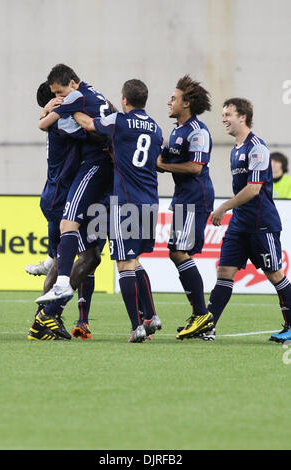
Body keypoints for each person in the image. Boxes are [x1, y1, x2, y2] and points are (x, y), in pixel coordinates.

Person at [191, 97, 291, 343]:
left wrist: (224, 206)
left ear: (242, 117)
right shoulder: (236, 149)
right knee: (224, 271)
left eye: (228, 114)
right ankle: (209, 326)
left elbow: (254, 189)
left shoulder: (257, 147)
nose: (223, 118)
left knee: (275, 274)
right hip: (239, 224)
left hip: (261, 224)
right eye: (223, 114)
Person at [71, 79, 163, 342]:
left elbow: (89, 125)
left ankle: (137, 327)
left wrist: (70, 109)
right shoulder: (156, 129)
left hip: (126, 203)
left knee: (124, 264)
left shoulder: (119, 121)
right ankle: (151, 316)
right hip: (151, 202)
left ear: (124, 99)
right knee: (134, 261)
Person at [28, 81, 107, 341]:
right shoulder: (63, 123)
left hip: (56, 195)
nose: (66, 98)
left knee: (70, 256)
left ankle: (45, 316)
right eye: (60, 96)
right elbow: (92, 129)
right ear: (54, 102)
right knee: (87, 257)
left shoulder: (56, 120)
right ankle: (46, 317)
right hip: (60, 198)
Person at [156, 75, 214, 340]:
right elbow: (161, 160)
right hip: (183, 196)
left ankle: (202, 315)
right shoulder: (177, 131)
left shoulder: (198, 131)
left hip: (195, 196)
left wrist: (163, 165)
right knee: (176, 252)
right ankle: (199, 315)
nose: (169, 101)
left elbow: (195, 167)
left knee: (179, 252)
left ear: (187, 103)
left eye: (174, 98)